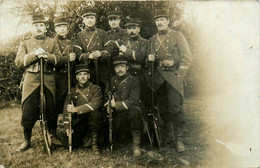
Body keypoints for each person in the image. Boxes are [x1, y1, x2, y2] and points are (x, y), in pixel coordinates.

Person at [15, 14, 62, 152]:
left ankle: (52, 135)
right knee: (28, 108)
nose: (39, 28)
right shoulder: (25, 42)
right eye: (36, 25)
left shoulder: (52, 42)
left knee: (51, 108)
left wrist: (47, 56)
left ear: (45, 27)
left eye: (41, 25)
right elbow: (18, 61)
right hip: (31, 79)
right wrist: (34, 54)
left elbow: (59, 60)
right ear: (31, 28)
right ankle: (27, 140)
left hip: (48, 78)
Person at [147, 9, 192, 152]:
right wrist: (150, 60)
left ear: (168, 21)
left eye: (162, 19)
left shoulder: (177, 36)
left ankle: (179, 141)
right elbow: (148, 62)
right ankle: (170, 137)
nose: (159, 22)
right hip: (159, 79)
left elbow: (187, 58)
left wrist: (179, 75)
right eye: (157, 20)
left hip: (173, 77)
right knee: (163, 109)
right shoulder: (152, 39)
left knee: (176, 109)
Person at [104, 56, 143, 157]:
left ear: (127, 67)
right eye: (117, 67)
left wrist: (116, 104)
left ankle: (136, 145)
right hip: (116, 113)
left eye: (122, 66)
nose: (119, 69)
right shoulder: (111, 80)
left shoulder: (134, 81)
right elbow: (105, 97)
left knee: (135, 112)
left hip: (129, 111)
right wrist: (108, 104)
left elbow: (133, 101)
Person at [64, 64, 103, 155]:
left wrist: (76, 109)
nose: (82, 77)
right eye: (80, 75)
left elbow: (95, 104)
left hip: (92, 119)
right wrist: (67, 127)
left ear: (88, 76)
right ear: (77, 77)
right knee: (67, 143)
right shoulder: (72, 91)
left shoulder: (96, 88)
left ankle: (94, 143)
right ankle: (85, 138)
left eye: (85, 74)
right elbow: (66, 110)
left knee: (95, 114)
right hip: (79, 121)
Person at [74, 7, 112, 92]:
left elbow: (110, 48)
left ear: (95, 20)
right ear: (83, 20)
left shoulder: (102, 33)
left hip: (102, 70)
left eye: (92, 18)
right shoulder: (80, 36)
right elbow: (77, 54)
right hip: (88, 70)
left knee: (104, 92)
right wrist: (88, 56)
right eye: (87, 18)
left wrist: (101, 54)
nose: (90, 20)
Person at [52, 16, 76, 145]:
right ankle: (52, 132)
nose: (62, 29)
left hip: (69, 77)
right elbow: (53, 60)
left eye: (64, 27)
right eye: (59, 27)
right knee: (56, 105)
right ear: (55, 28)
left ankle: (70, 130)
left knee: (69, 102)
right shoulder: (52, 42)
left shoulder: (70, 42)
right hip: (57, 77)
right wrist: (67, 59)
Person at [118, 18, 150, 109]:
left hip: (141, 76)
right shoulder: (124, 42)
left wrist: (126, 51)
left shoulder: (145, 42)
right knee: (129, 100)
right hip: (127, 76)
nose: (131, 31)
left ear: (139, 29)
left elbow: (141, 57)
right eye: (129, 28)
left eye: (134, 28)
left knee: (144, 100)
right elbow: (121, 59)